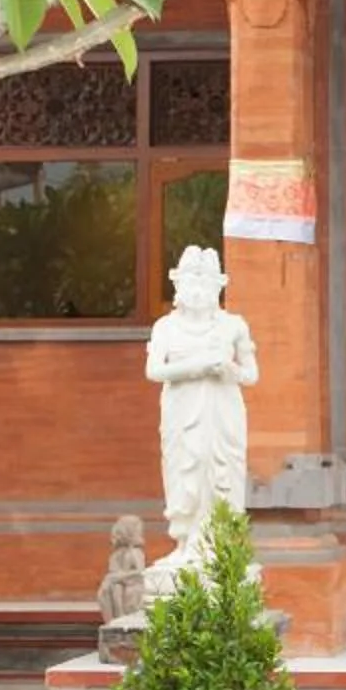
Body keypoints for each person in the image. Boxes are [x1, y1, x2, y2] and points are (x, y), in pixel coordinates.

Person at [145, 245, 257, 585]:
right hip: (182, 408)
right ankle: (186, 543)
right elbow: (153, 370)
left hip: (222, 409)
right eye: (191, 281)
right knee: (185, 469)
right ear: (177, 285)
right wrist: (197, 366)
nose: (197, 289)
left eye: (205, 282)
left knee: (219, 468)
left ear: (218, 286)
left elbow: (251, 375)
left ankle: (219, 543)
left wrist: (228, 371)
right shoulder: (166, 327)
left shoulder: (233, 326)